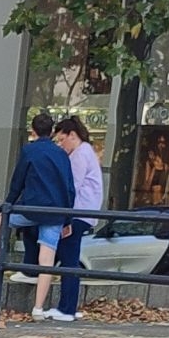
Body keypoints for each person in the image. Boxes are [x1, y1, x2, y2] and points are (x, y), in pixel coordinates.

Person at [0, 112, 78, 317]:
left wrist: (6, 205)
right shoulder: (61, 153)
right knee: (47, 261)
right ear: (52, 131)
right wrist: (67, 219)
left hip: (32, 208)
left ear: (33, 131)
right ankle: (38, 309)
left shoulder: (29, 151)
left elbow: (18, 182)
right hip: (56, 212)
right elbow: (70, 189)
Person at [54, 113, 103, 320]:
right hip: (84, 212)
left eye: (61, 139)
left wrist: (65, 216)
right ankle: (66, 307)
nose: (60, 144)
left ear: (72, 135)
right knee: (68, 258)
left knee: (69, 259)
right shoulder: (86, 152)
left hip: (78, 212)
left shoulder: (80, 155)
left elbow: (72, 187)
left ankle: (67, 309)